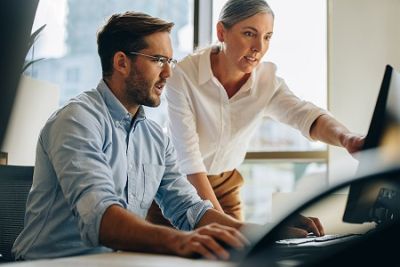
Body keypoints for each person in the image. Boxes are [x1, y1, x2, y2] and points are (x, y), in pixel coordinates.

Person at [12, 11, 323, 261]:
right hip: (51, 262)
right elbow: (101, 217)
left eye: (170, 61)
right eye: (158, 60)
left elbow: (193, 210)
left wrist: (266, 232)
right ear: (122, 62)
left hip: (114, 261)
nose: (169, 73)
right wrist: (184, 242)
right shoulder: (77, 120)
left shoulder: (154, 138)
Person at [146, 0, 365, 223]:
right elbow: (189, 161)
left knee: (238, 255)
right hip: (178, 187)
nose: (259, 47)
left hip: (226, 185)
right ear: (222, 32)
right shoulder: (182, 75)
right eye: (249, 34)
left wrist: (346, 138)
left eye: (267, 36)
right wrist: (234, 231)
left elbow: (306, 116)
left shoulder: (266, 81)